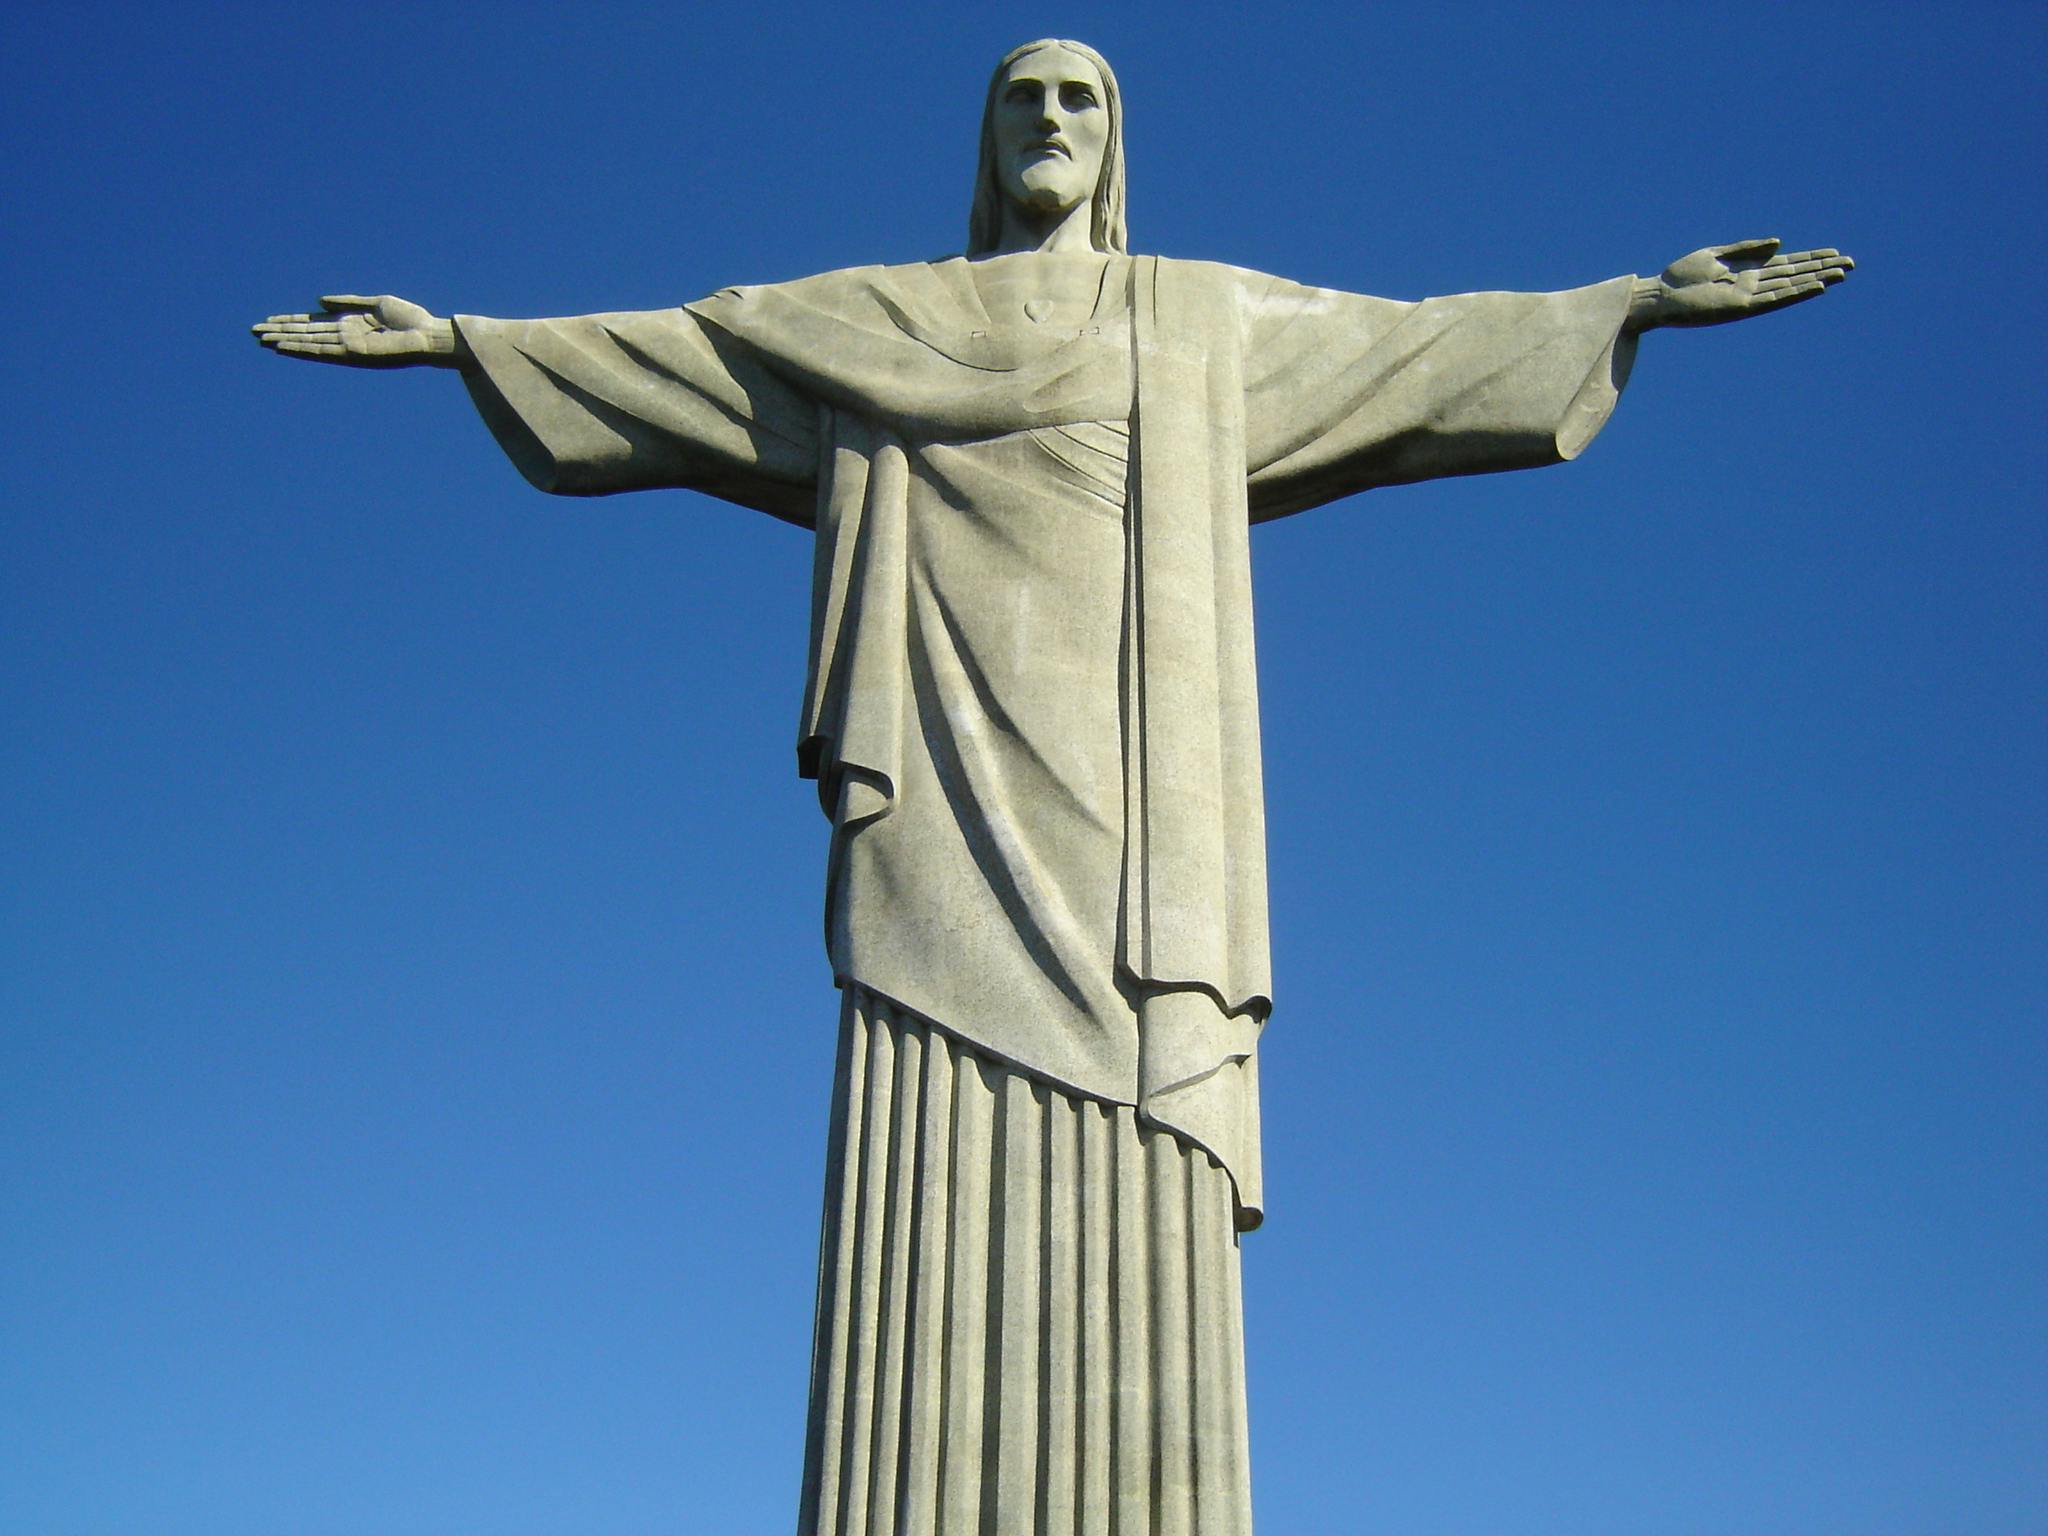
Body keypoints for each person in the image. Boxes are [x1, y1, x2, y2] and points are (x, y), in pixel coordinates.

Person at [254, 38, 1851, 1535]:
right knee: (922, 1113)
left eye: (1081, 100)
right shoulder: (871, 323)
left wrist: (1630, 302)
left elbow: (1413, 346)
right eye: (1023, 99)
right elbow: (686, 355)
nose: (1052, 125)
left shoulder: (1194, 320)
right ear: (984, 138)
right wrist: (470, 337)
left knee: (1141, 1125)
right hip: (938, 776)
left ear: (1115, 142)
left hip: (1140, 798)